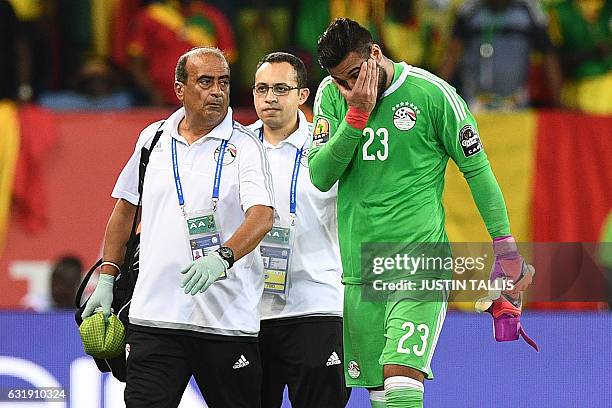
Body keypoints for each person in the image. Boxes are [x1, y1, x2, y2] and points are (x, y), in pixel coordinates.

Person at [310, 18, 535, 408]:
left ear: (375, 55)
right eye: (339, 80)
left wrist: (506, 248)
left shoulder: (433, 95)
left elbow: (477, 171)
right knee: (380, 395)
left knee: (402, 383)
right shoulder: (331, 94)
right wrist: (356, 116)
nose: (347, 88)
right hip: (359, 271)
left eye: (353, 76)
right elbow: (321, 175)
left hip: (418, 263)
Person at [82, 47, 275, 407]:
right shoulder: (152, 140)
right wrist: (107, 278)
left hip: (226, 322)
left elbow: (262, 215)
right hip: (155, 319)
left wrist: (223, 257)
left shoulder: (246, 146)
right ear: (180, 89)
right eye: (205, 81)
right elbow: (124, 211)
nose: (217, 91)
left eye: (224, 82)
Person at [247, 52, 349, 408]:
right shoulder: (235, 149)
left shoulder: (330, 147)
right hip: (249, 313)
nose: (269, 97)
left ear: (302, 95)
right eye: (261, 89)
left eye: (280, 88)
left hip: (317, 305)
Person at [439, 0, 562, 111]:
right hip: (474, 103)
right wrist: (436, 100)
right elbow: (452, 55)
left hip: (516, 104)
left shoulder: (530, 9)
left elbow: (549, 57)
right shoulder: (468, 10)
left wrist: (558, 104)